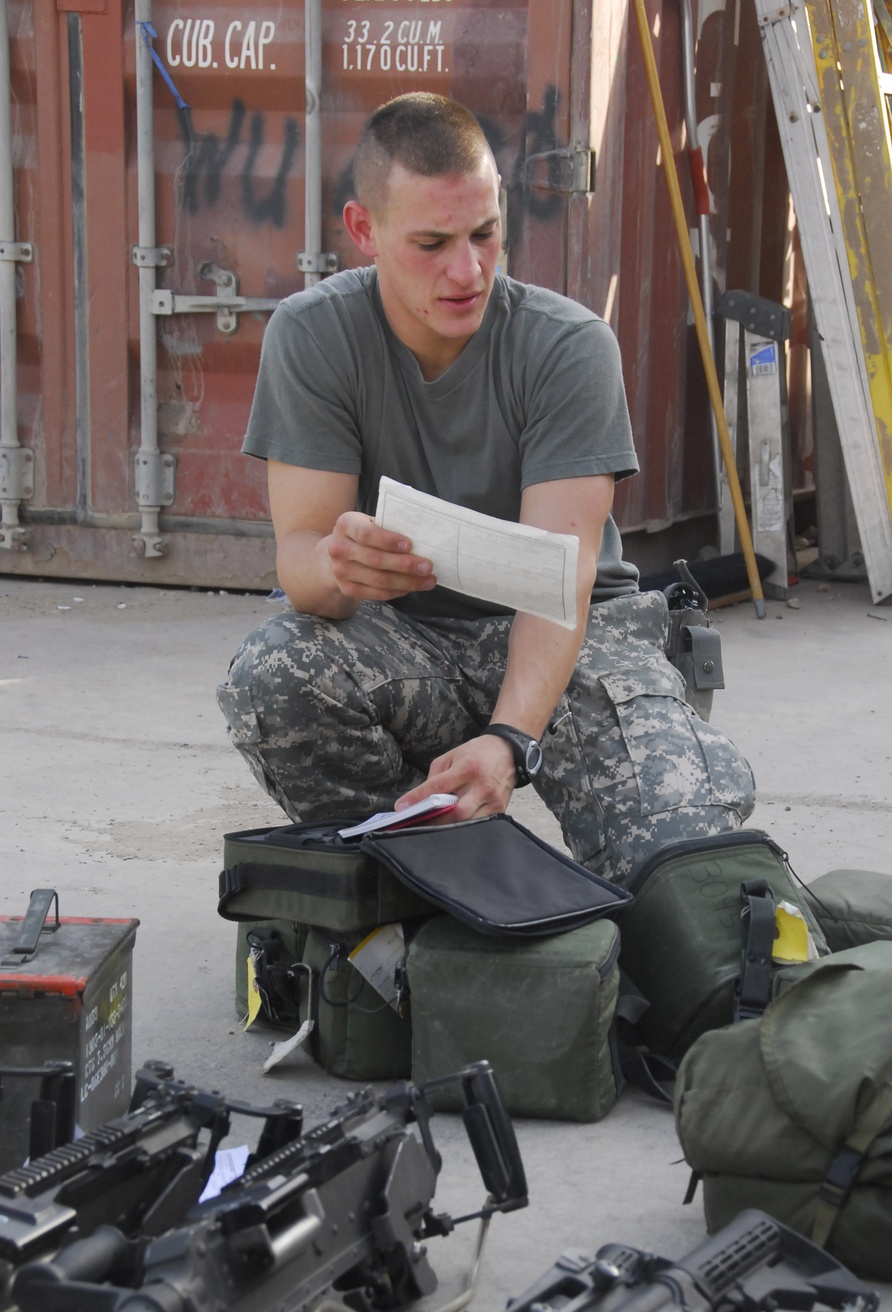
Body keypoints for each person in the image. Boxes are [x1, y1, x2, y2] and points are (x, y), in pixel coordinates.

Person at [218, 91, 754, 885]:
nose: (466, 271)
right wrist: (338, 566)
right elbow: (299, 558)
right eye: (431, 244)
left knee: (679, 856)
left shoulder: (568, 347)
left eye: (485, 234)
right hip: (408, 641)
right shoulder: (313, 336)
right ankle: (414, 891)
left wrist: (509, 740)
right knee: (276, 672)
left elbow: (559, 581)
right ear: (364, 230)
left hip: (573, 638)